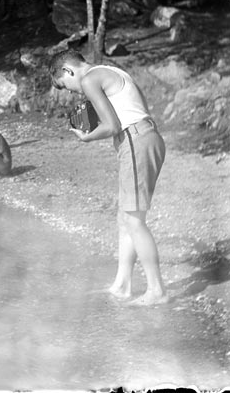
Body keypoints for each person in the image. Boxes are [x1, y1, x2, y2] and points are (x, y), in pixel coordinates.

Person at [48, 48, 168, 306]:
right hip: (144, 138)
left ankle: (156, 290)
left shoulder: (90, 79)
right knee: (125, 219)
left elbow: (112, 126)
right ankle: (122, 285)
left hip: (136, 142)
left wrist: (86, 137)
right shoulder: (112, 70)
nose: (71, 91)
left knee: (134, 221)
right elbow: (136, 110)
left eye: (65, 85)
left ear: (68, 70)